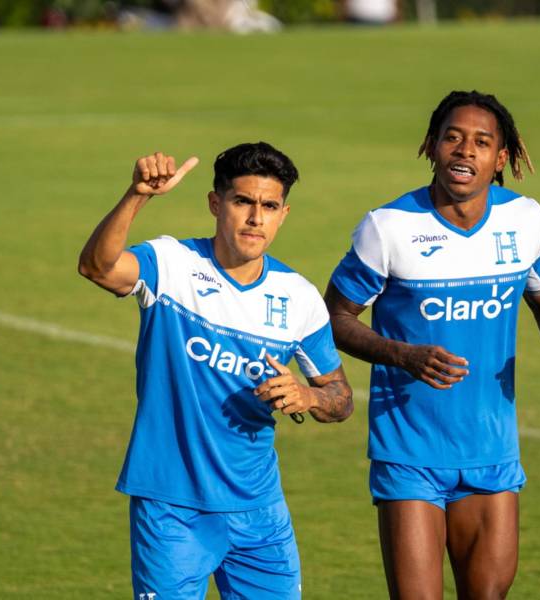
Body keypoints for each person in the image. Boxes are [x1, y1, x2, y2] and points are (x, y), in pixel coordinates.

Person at [325, 90, 540, 599]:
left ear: (502, 159)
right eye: (452, 137)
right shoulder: (389, 228)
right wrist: (401, 355)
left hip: (491, 451)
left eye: (481, 142)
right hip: (409, 452)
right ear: (431, 147)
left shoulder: (526, 221)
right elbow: (333, 318)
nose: (464, 150)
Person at [78, 142, 353, 599]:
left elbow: (341, 397)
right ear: (215, 203)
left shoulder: (299, 297)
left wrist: (310, 397)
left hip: (260, 511)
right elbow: (97, 266)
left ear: (284, 214)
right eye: (242, 201)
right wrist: (137, 196)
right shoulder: (171, 266)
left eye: (268, 206)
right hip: (172, 507)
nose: (255, 218)